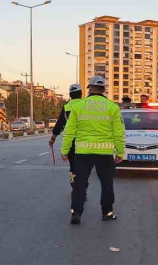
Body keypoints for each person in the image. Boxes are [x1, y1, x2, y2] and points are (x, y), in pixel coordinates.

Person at [61, 76, 125, 224]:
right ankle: (107, 212)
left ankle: (76, 213)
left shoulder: (78, 106)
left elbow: (70, 131)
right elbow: (119, 132)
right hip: (105, 153)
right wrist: (120, 152)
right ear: (104, 89)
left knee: (79, 184)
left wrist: (65, 151)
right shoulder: (112, 107)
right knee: (106, 183)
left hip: (83, 153)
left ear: (89, 88)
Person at [49, 84, 84, 185]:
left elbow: (59, 124)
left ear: (70, 95)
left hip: (71, 142)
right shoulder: (86, 105)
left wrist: (53, 139)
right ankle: (83, 186)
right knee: (84, 166)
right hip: (85, 141)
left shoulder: (67, 107)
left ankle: (74, 184)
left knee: (73, 165)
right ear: (81, 94)